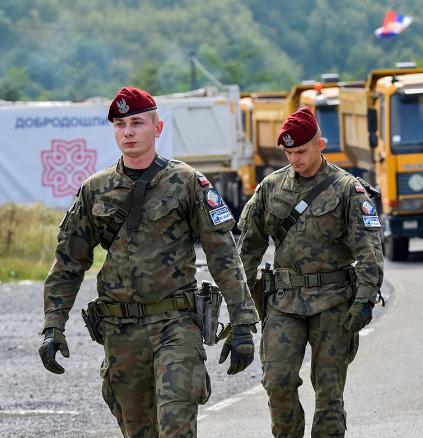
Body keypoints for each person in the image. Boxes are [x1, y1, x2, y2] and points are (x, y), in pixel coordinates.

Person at [39, 86, 259, 437]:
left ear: (157, 128)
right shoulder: (95, 190)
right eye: (120, 124)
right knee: (138, 430)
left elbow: (223, 255)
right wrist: (53, 325)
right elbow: (68, 263)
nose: (128, 131)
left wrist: (243, 322)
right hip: (120, 332)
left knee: (176, 424)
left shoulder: (187, 183)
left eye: (137, 123)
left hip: (176, 324)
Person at [237, 106, 384, 437]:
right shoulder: (271, 188)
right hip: (284, 302)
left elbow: (369, 247)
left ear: (321, 144)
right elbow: (248, 248)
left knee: (329, 390)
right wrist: (240, 305)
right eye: (289, 152)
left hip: (333, 302)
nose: (295, 159)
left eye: (301, 151)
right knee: (277, 381)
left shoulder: (348, 189)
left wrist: (365, 298)